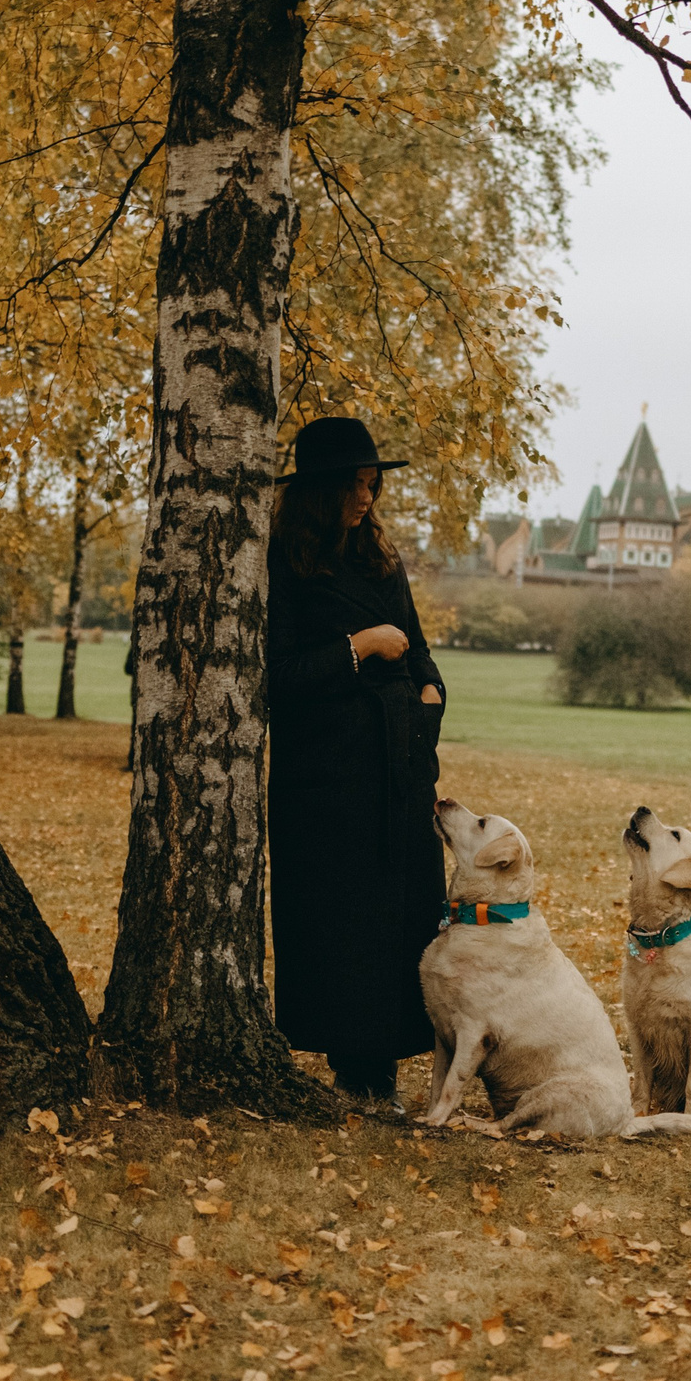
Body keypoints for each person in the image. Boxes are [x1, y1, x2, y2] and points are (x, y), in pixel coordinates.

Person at [267, 417, 447, 1108]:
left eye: (373, 485)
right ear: (323, 490)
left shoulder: (381, 558)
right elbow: (279, 675)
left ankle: (386, 1073)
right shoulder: (287, 563)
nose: (367, 498)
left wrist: (429, 696)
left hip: (399, 764)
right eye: (355, 485)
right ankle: (352, 1069)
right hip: (327, 775)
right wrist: (359, 646)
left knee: (403, 918)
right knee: (344, 922)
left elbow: (419, 647)